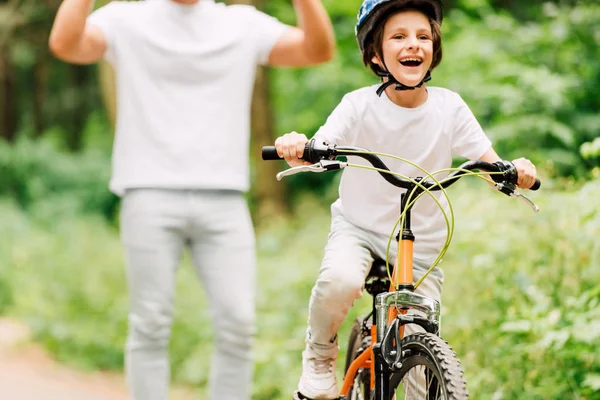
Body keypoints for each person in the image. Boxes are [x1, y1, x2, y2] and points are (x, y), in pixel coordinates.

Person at [48, 0, 335, 399]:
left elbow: (317, 50)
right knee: (150, 324)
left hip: (224, 197)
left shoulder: (241, 23)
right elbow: (66, 44)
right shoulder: (125, 18)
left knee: (237, 323)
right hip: (148, 191)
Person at [274, 0, 538, 398]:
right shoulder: (358, 105)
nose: (413, 44)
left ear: (433, 49)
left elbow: (488, 163)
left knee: (420, 356)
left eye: (423, 36)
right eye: (398, 36)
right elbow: (322, 143)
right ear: (376, 53)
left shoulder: (450, 107)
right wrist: (300, 146)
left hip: (421, 242)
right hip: (359, 228)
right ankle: (319, 355)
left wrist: (513, 170)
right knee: (340, 280)